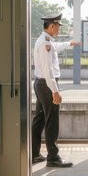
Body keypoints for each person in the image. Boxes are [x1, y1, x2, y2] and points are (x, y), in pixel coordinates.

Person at [32, 13, 79, 167]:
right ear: (52, 26)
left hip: (41, 84)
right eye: (58, 26)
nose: (59, 29)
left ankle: (34, 154)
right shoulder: (45, 44)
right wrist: (55, 91)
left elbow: (56, 47)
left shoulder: (46, 41)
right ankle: (53, 157)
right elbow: (48, 70)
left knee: (39, 120)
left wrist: (69, 43)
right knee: (52, 120)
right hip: (47, 85)